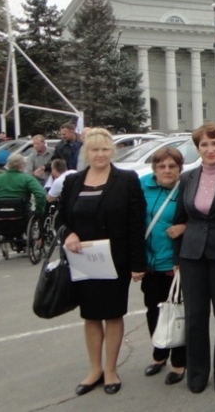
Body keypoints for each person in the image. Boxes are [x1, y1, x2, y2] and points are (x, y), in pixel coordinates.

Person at [57, 128, 147, 397]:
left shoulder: (127, 179)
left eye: (105, 149)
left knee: (112, 313)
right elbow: (61, 218)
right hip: (83, 259)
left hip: (115, 259)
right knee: (91, 315)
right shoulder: (74, 181)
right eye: (95, 150)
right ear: (87, 152)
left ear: (112, 151)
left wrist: (137, 263)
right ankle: (94, 369)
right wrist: (68, 234)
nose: (100, 154)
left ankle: (111, 369)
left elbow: (136, 223)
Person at [173, 122, 215, 394]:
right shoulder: (187, 178)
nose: (210, 149)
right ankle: (197, 374)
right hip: (192, 256)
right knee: (195, 317)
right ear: (197, 148)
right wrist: (178, 258)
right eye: (204, 144)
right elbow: (181, 219)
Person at [140, 146, 187, 385]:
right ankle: (159, 354)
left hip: (175, 264)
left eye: (172, 166)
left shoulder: (186, 188)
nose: (167, 170)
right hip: (150, 264)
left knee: (177, 312)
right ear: (154, 169)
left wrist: (185, 227)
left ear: (180, 169)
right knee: (153, 310)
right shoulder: (142, 186)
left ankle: (179, 363)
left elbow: (200, 217)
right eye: (162, 166)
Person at [0, 153, 47, 251]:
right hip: (22, 217)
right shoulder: (27, 179)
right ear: (21, 165)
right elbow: (40, 195)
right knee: (33, 214)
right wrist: (39, 211)